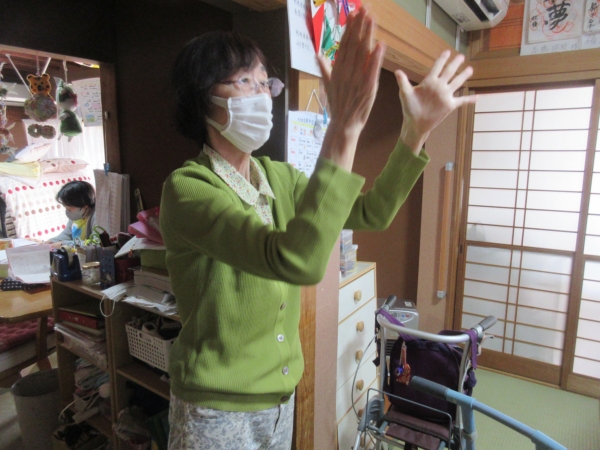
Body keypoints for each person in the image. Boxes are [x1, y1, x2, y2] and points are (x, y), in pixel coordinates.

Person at [160, 7, 476, 450]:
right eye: (243, 81)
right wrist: (342, 128)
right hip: (215, 408)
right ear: (201, 99)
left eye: (264, 82)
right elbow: (295, 260)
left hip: (279, 398)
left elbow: (372, 213)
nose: (261, 94)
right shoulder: (188, 188)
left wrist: (414, 132)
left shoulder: (277, 177)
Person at [46, 180, 96, 247]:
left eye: (69, 208)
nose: (68, 211)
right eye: (66, 208)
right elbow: (67, 234)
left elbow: (95, 244)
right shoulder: (77, 215)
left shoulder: (96, 217)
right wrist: (52, 241)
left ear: (85, 205)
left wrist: (63, 244)